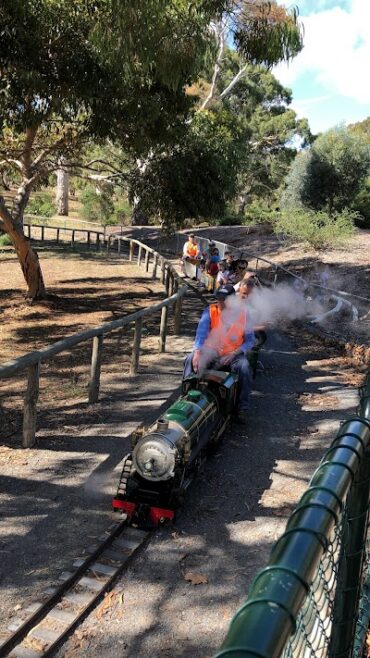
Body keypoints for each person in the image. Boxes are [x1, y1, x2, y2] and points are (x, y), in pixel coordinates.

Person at [183, 284, 255, 423]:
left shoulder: (244, 315)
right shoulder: (210, 311)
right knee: (190, 358)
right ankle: (187, 395)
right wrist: (197, 351)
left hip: (234, 354)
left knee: (245, 368)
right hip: (212, 352)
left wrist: (235, 353)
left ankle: (242, 407)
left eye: (223, 300)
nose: (219, 303)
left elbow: (250, 341)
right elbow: (201, 334)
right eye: (218, 299)